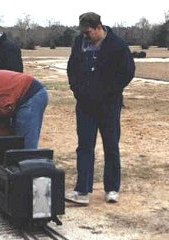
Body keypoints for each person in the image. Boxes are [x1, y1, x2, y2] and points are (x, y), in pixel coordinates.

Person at [66, 12, 135, 205]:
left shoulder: (117, 45)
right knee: (85, 147)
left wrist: (109, 91)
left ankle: (112, 189)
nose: (85, 36)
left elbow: (128, 72)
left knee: (111, 146)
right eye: (83, 33)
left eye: (88, 32)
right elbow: (72, 69)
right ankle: (82, 191)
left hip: (109, 106)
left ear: (99, 27)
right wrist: (77, 90)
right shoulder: (79, 43)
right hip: (85, 106)